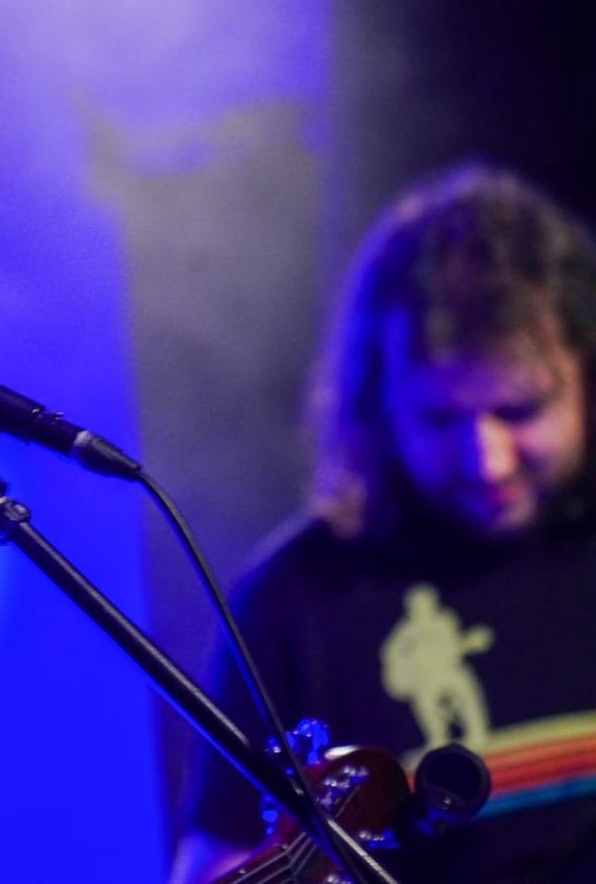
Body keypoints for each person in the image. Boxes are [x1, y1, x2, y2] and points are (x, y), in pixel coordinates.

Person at [170, 164, 596, 883]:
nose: (487, 460)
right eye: (440, 418)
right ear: (379, 402)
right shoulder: (297, 598)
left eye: (520, 409)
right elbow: (219, 862)